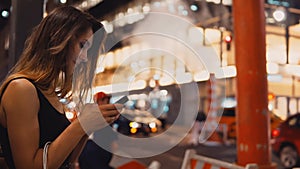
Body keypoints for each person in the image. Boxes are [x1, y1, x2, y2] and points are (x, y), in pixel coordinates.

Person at [0, 6, 122, 169]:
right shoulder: (22, 88)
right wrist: (79, 125)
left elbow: (68, 162)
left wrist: (87, 126)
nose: (85, 58)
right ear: (58, 39)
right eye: (82, 45)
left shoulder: (52, 93)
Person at [79, 92, 118, 169]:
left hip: (100, 149)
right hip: (93, 150)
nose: (106, 102)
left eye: (107, 100)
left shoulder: (106, 114)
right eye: (103, 100)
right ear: (98, 101)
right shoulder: (94, 114)